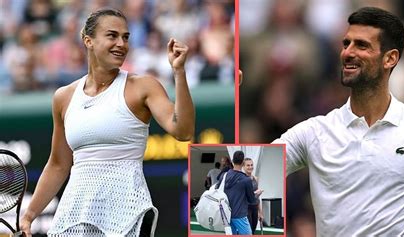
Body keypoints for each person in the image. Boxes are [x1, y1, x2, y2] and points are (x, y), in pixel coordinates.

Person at [273, 7, 404, 236]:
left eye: (361, 45)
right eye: (346, 43)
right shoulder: (313, 132)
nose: (347, 53)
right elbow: (245, 173)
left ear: (390, 58)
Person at [19, 8, 195, 236]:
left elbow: (183, 131)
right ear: (88, 41)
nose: (121, 44)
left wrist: (179, 72)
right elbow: (59, 164)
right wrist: (29, 215)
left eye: (126, 37)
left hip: (127, 212)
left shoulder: (143, 86)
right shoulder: (63, 97)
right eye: (112, 36)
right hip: (75, 214)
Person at [216, 151, 255, 235]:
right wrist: (256, 194)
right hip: (240, 214)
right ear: (243, 163)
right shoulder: (246, 179)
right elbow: (252, 200)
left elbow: (217, 190)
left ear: (233, 161)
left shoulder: (224, 175)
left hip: (226, 214)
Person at [243, 157, 264, 234]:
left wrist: (260, 212)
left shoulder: (255, 178)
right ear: (243, 166)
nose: (250, 167)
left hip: (255, 207)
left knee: (253, 231)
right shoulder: (242, 179)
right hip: (246, 208)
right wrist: (255, 193)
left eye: (251, 165)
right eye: (248, 165)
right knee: (248, 231)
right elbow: (243, 196)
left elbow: (258, 198)